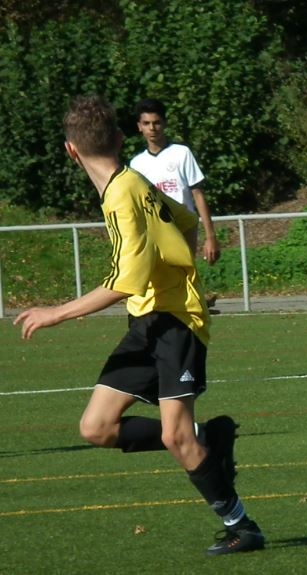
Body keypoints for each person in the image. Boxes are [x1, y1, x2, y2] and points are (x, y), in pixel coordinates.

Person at [14, 95, 264, 555]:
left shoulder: (123, 193)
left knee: (174, 437)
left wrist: (56, 312)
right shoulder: (132, 181)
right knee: (97, 427)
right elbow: (185, 220)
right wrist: (178, 268)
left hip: (175, 323)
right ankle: (208, 438)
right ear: (118, 138)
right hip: (146, 323)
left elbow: (125, 281)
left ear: (71, 151)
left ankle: (242, 526)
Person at [131, 98, 220, 305]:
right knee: (159, 280)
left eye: (156, 122)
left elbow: (198, 194)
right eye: (146, 123)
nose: (152, 128)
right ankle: (196, 303)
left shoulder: (181, 153)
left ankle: (195, 304)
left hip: (183, 226)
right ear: (139, 127)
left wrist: (210, 237)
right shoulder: (137, 163)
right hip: (155, 229)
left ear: (164, 124)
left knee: (183, 273)